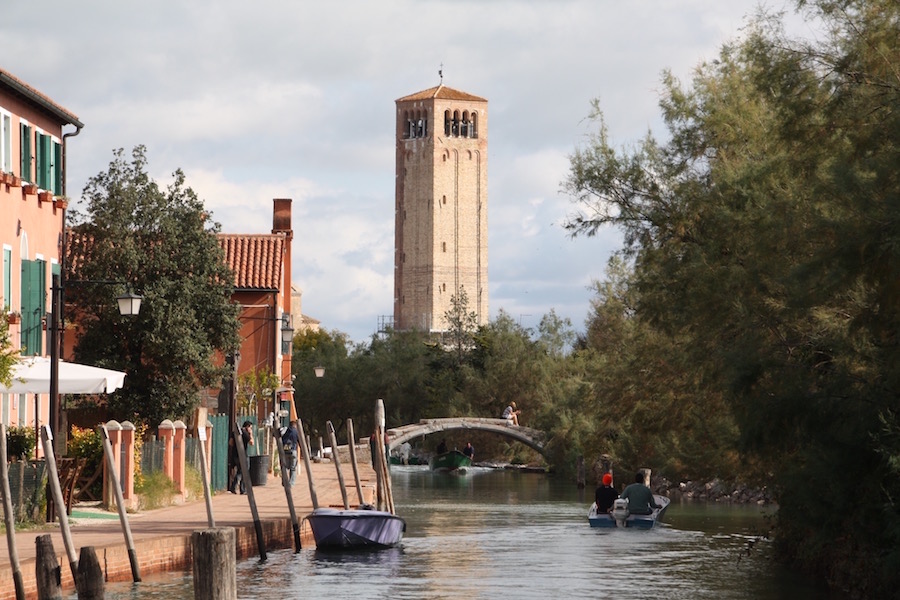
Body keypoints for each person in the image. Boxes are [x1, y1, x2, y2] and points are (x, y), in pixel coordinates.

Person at [229, 420, 255, 494]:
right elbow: (252, 443)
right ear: (247, 427)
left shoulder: (235, 432)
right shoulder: (245, 433)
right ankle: (242, 489)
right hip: (243, 455)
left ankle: (233, 487)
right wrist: (250, 434)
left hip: (235, 455)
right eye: (251, 427)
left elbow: (230, 443)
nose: (251, 429)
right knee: (244, 472)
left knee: (240, 471)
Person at [281, 420, 301, 486]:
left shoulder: (285, 431)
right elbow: (300, 441)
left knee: (285, 467)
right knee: (293, 468)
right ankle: (291, 483)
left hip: (285, 451)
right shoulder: (296, 432)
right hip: (293, 451)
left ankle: (285, 481)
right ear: (295, 425)